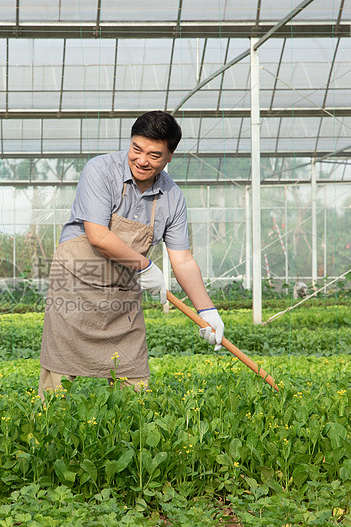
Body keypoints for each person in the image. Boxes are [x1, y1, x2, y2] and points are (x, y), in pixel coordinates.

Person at [39, 111, 224, 398]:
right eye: (136, 149)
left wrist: (207, 311)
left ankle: (132, 437)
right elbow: (98, 237)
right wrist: (145, 266)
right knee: (60, 371)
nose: (142, 160)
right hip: (74, 285)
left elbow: (183, 259)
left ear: (169, 156)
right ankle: (48, 431)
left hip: (122, 291)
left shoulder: (172, 197)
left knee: (134, 375)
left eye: (154, 154)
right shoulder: (100, 170)